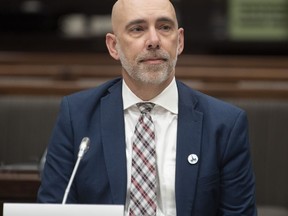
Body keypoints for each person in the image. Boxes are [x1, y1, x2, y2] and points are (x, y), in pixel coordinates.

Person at [37, 0, 257, 215]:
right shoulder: (76, 116)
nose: (153, 40)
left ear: (179, 41)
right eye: (137, 29)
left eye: (164, 27)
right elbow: (54, 206)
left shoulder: (225, 124)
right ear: (114, 46)